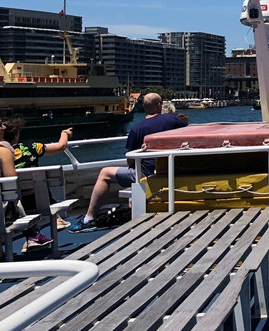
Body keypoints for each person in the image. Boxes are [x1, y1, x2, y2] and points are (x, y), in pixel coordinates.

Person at [70, 92, 186, 232]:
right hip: (174, 170)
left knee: (105, 173)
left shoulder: (137, 130)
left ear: (143, 107)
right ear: (159, 106)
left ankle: (89, 218)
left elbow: (131, 161)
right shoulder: (174, 121)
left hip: (147, 174)